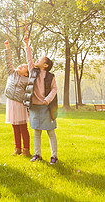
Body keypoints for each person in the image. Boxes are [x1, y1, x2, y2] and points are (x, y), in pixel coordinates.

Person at [23, 35, 59, 164]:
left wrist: (47, 100)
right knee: (37, 132)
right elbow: (29, 59)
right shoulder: (33, 71)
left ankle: (54, 156)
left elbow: (54, 90)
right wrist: (27, 45)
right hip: (34, 107)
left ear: (45, 65)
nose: (36, 60)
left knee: (50, 132)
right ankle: (37, 154)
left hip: (46, 107)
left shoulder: (50, 76)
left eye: (40, 59)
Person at [3, 40, 31, 156]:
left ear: (26, 73)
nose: (21, 66)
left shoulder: (27, 80)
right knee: (15, 127)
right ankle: (17, 148)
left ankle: (26, 150)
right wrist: (7, 48)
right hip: (10, 103)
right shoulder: (12, 73)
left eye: (24, 66)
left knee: (23, 127)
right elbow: (8, 62)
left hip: (20, 104)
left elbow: (29, 94)